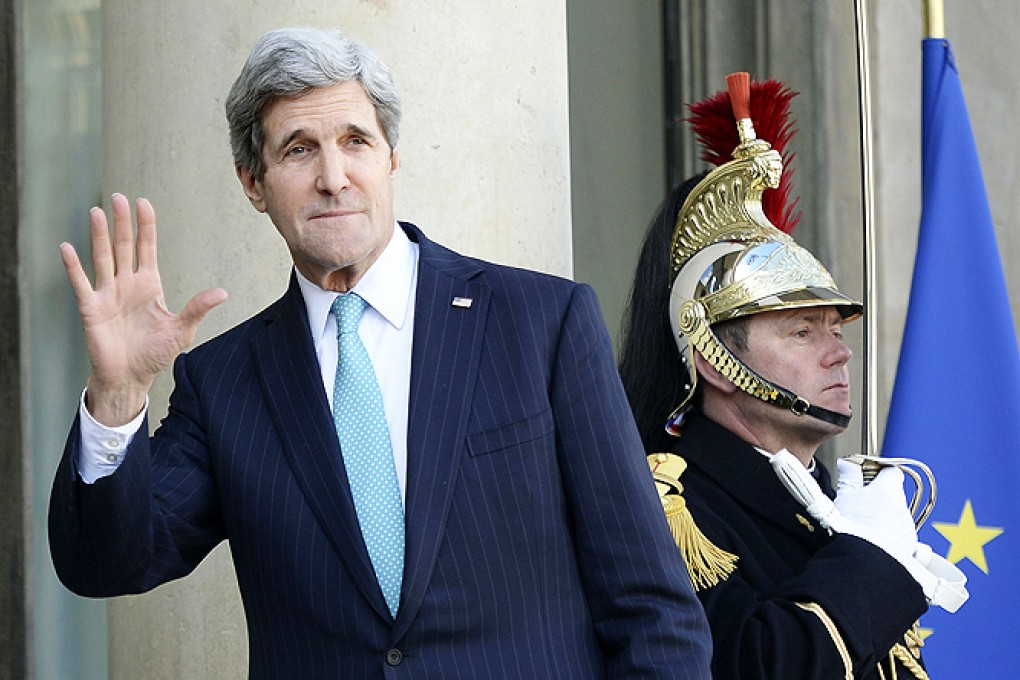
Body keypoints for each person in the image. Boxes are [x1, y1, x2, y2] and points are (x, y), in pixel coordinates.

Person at [48, 27, 712, 679]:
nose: (332, 178)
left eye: (355, 142)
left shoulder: (540, 323)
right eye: (299, 150)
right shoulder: (224, 383)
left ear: (390, 156)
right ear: (254, 183)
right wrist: (118, 394)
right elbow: (109, 562)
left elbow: (649, 602)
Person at [618, 74, 966, 679]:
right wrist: (869, 561)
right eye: (802, 332)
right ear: (712, 362)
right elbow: (757, 663)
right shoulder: (669, 505)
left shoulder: (830, 505)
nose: (838, 354)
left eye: (835, 329)